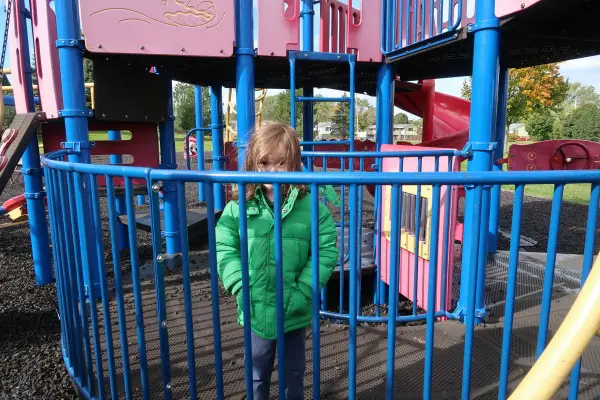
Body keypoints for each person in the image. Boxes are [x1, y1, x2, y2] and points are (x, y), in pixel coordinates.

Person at [215, 123, 339, 400]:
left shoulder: (311, 208)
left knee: (293, 371)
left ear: (293, 164)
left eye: (281, 163)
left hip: (294, 305)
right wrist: (238, 283)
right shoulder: (240, 206)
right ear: (253, 164)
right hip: (256, 302)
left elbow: (325, 251)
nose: (272, 171)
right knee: (257, 368)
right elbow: (225, 246)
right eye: (264, 163)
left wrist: (304, 289)